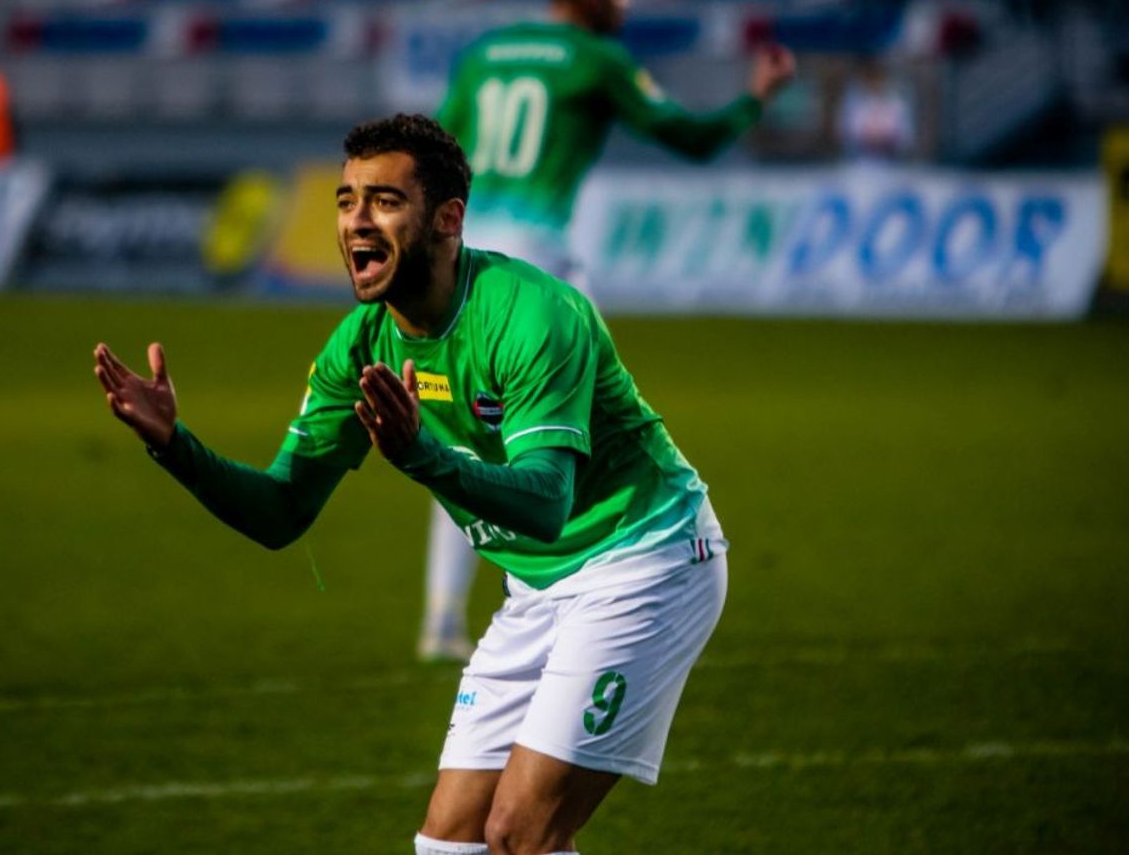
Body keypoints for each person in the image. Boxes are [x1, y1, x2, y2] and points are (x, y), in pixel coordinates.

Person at [94, 114, 729, 854]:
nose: (356, 221)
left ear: (447, 219)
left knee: (521, 834)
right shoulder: (359, 345)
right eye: (346, 200)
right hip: (537, 588)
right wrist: (174, 447)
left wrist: (422, 455)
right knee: (448, 844)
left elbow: (547, 504)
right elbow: (281, 512)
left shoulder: (534, 314)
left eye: (385, 201)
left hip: (644, 560)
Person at [419, 0, 794, 660]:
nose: (627, 2)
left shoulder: (485, 54)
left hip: (459, 256)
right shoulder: (597, 60)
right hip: (537, 264)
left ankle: (442, 616)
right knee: (575, 436)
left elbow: (432, 154)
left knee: (467, 435)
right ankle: (577, 594)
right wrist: (756, 97)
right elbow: (690, 137)